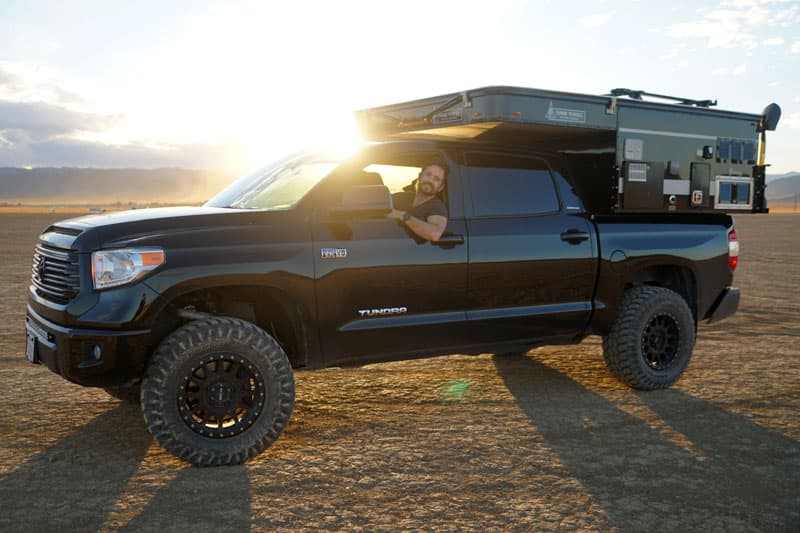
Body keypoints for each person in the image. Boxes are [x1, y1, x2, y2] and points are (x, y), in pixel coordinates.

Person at [386, 159, 449, 242]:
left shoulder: (437, 207)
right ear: (420, 177)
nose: (430, 180)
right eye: (428, 175)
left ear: (440, 187)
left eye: (436, 179)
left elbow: (435, 234)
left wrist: (403, 216)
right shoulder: (403, 196)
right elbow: (379, 202)